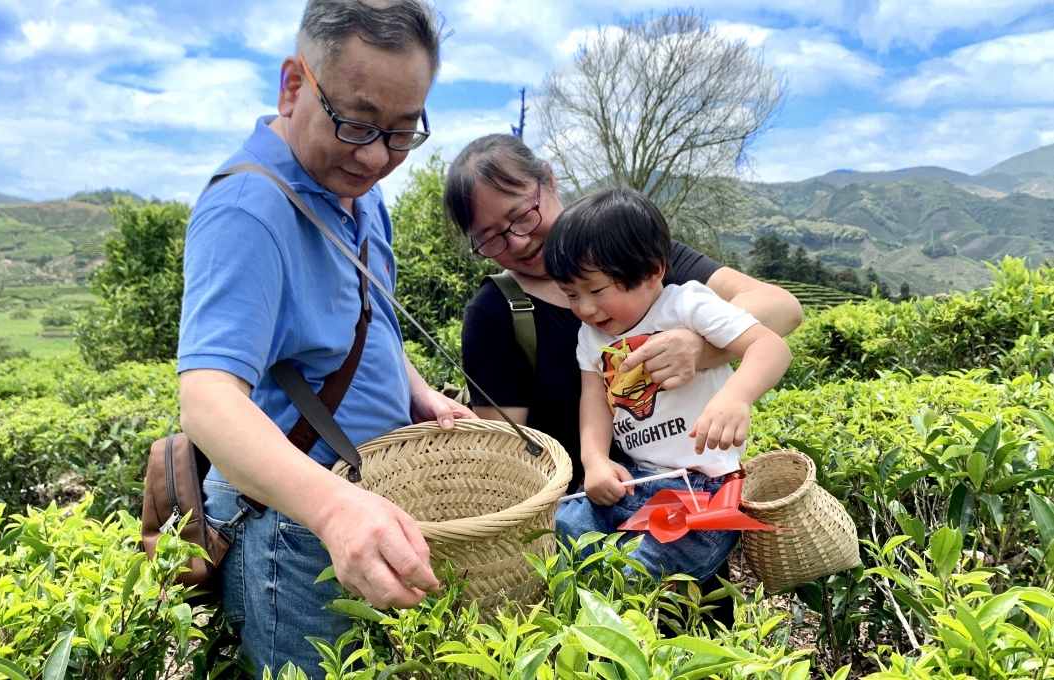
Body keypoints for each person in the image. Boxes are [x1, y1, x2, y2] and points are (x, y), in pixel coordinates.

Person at [176, 1, 473, 676]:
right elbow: (207, 399)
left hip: (366, 507)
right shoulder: (249, 209)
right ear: (292, 84)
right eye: (357, 123)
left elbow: (366, 324)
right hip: (295, 529)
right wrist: (335, 509)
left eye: (401, 133)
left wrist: (418, 393)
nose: (375, 157)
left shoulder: (359, 192)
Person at [445, 134, 803, 489]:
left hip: (687, 477)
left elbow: (782, 308)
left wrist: (698, 346)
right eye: (491, 237)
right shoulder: (494, 313)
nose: (517, 241)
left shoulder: (627, 250)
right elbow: (506, 452)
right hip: (585, 497)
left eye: (521, 215)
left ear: (548, 180)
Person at [544, 187, 793, 581]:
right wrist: (594, 461)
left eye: (595, 290)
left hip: (703, 489)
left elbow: (771, 346)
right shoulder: (590, 335)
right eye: (572, 295)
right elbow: (593, 400)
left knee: (635, 571)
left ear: (652, 270)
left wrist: (736, 396)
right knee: (563, 531)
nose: (585, 308)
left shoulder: (687, 306)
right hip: (634, 477)